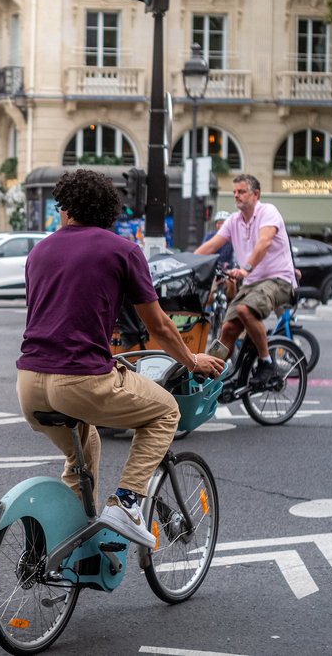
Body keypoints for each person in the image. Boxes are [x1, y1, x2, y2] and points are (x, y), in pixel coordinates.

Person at [16, 169, 223, 549]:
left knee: (83, 450)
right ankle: (126, 504)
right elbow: (159, 326)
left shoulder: (38, 252)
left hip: (29, 382)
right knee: (165, 412)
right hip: (80, 380)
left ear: (66, 208)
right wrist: (193, 361)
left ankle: (71, 547)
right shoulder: (122, 250)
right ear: (108, 210)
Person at [194, 174, 297, 388]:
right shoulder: (234, 220)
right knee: (228, 329)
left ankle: (266, 362)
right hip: (252, 284)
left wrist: (245, 269)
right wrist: (187, 263)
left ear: (255, 194)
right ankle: (208, 374)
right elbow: (211, 245)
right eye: (234, 192)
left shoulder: (268, 212)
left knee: (244, 310)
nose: (236, 195)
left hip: (278, 280)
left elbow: (264, 242)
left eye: (241, 191)